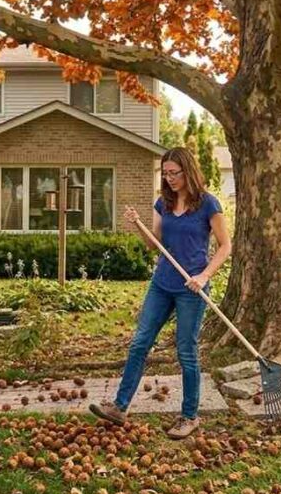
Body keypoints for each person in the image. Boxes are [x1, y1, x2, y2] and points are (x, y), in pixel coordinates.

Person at [89, 147, 231, 439]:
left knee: (186, 351)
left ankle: (190, 416)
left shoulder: (208, 205)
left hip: (191, 288)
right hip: (162, 284)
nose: (169, 179)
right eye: (165, 174)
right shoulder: (163, 203)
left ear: (187, 170)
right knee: (140, 343)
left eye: (174, 173)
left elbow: (225, 246)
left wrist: (204, 275)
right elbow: (154, 244)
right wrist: (139, 225)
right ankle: (119, 406)